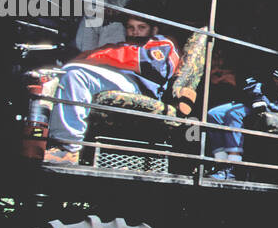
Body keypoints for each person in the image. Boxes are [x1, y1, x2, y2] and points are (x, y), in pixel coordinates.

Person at [44, 15, 181, 164]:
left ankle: (68, 149)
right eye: (131, 27)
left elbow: (154, 66)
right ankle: (48, 142)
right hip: (121, 80)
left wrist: (97, 56)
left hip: (141, 86)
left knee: (76, 75)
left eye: (141, 27)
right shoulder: (123, 45)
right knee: (59, 74)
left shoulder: (163, 43)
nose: (135, 32)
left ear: (153, 29)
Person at [204, 24, 278, 179]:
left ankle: (233, 167)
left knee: (235, 115)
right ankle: (220, 163)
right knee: (214, 114)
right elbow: (260, 79)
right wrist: (256, 96)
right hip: (266, 101)